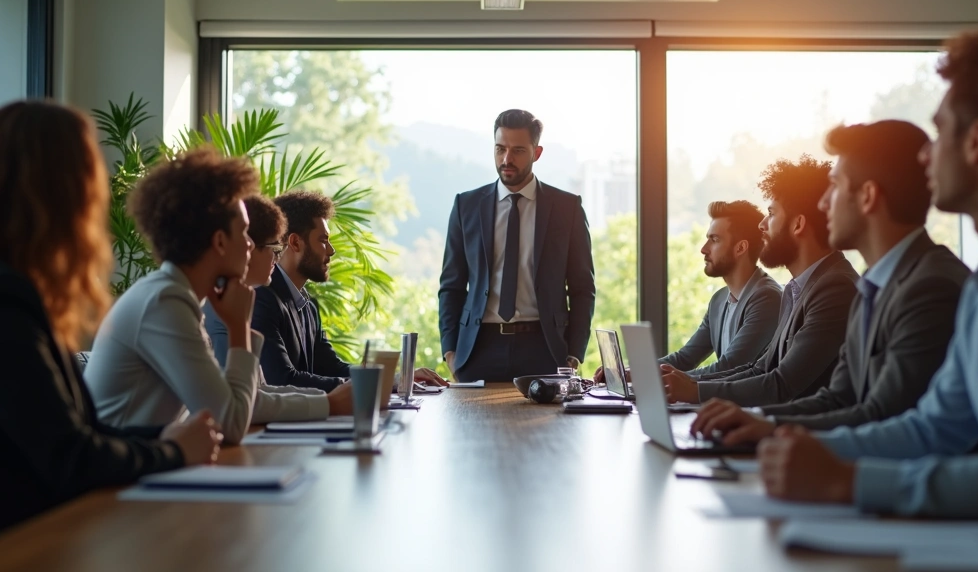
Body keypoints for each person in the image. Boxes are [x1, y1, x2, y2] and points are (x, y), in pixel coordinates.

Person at [755, 27, 978, 553]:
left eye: (940, 131)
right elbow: (933, 428)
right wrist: (803, 447)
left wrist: (848, 480)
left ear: (977, 141)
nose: (925, 159)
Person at [0, 102, 220, 544]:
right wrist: (171, 451)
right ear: (61, 193)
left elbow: (79, 430)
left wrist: (164, 436)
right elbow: (69, 458)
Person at [691, 121, 969, 445]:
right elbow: (838, 398)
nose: (823, 205)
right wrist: (761, 421)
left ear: (867, 196)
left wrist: (769, 428)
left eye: (834, 188)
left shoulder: (929, 287)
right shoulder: (871, 286)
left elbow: (883, 416)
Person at [85, 149, 351, 445]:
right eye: (245, 232)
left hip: (146, 471)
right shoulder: (165, 303)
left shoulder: (176, 295)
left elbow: (242, 400)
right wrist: (239, 329)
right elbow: (229, 422)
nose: (252, 245)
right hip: (117, 485)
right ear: (220, 241)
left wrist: (330, 400)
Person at [661, 155, 859, 406]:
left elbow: (781, 384)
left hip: (804, 437)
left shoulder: (834, 288)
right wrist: (689, 385)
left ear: (798, 224)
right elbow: (759, 369)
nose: (762, 225)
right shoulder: (798, 289)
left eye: (771, 213)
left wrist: (693, 391)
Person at [210, 190, 446, 389]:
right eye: (323, 240)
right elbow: (281, 379)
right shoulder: (261, 298)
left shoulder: (307, 303)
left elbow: (330, 366)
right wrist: (375, 385)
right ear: (295, 243)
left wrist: (394, 379)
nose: (331, 250)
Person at [438, 109, 596, 381]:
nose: (507, 159)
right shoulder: (467, 206)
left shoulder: (566, 208)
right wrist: (450, 352)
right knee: (471, 425)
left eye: (518, 150)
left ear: (537, 152)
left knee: (545, 425)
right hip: (477, 349)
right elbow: (451, 285)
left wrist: (573, 354)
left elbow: (582, 287)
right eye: (500, 149)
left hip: (544, 348)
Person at [596, 200, 780, 386]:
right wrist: (629, 372)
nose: (704, 248)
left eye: (714, 240)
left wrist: (659, 378)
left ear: (740, 248)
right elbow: (685, 358)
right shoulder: (719, 299)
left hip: (748, 411)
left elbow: (728, 367)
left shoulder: (767, 299)